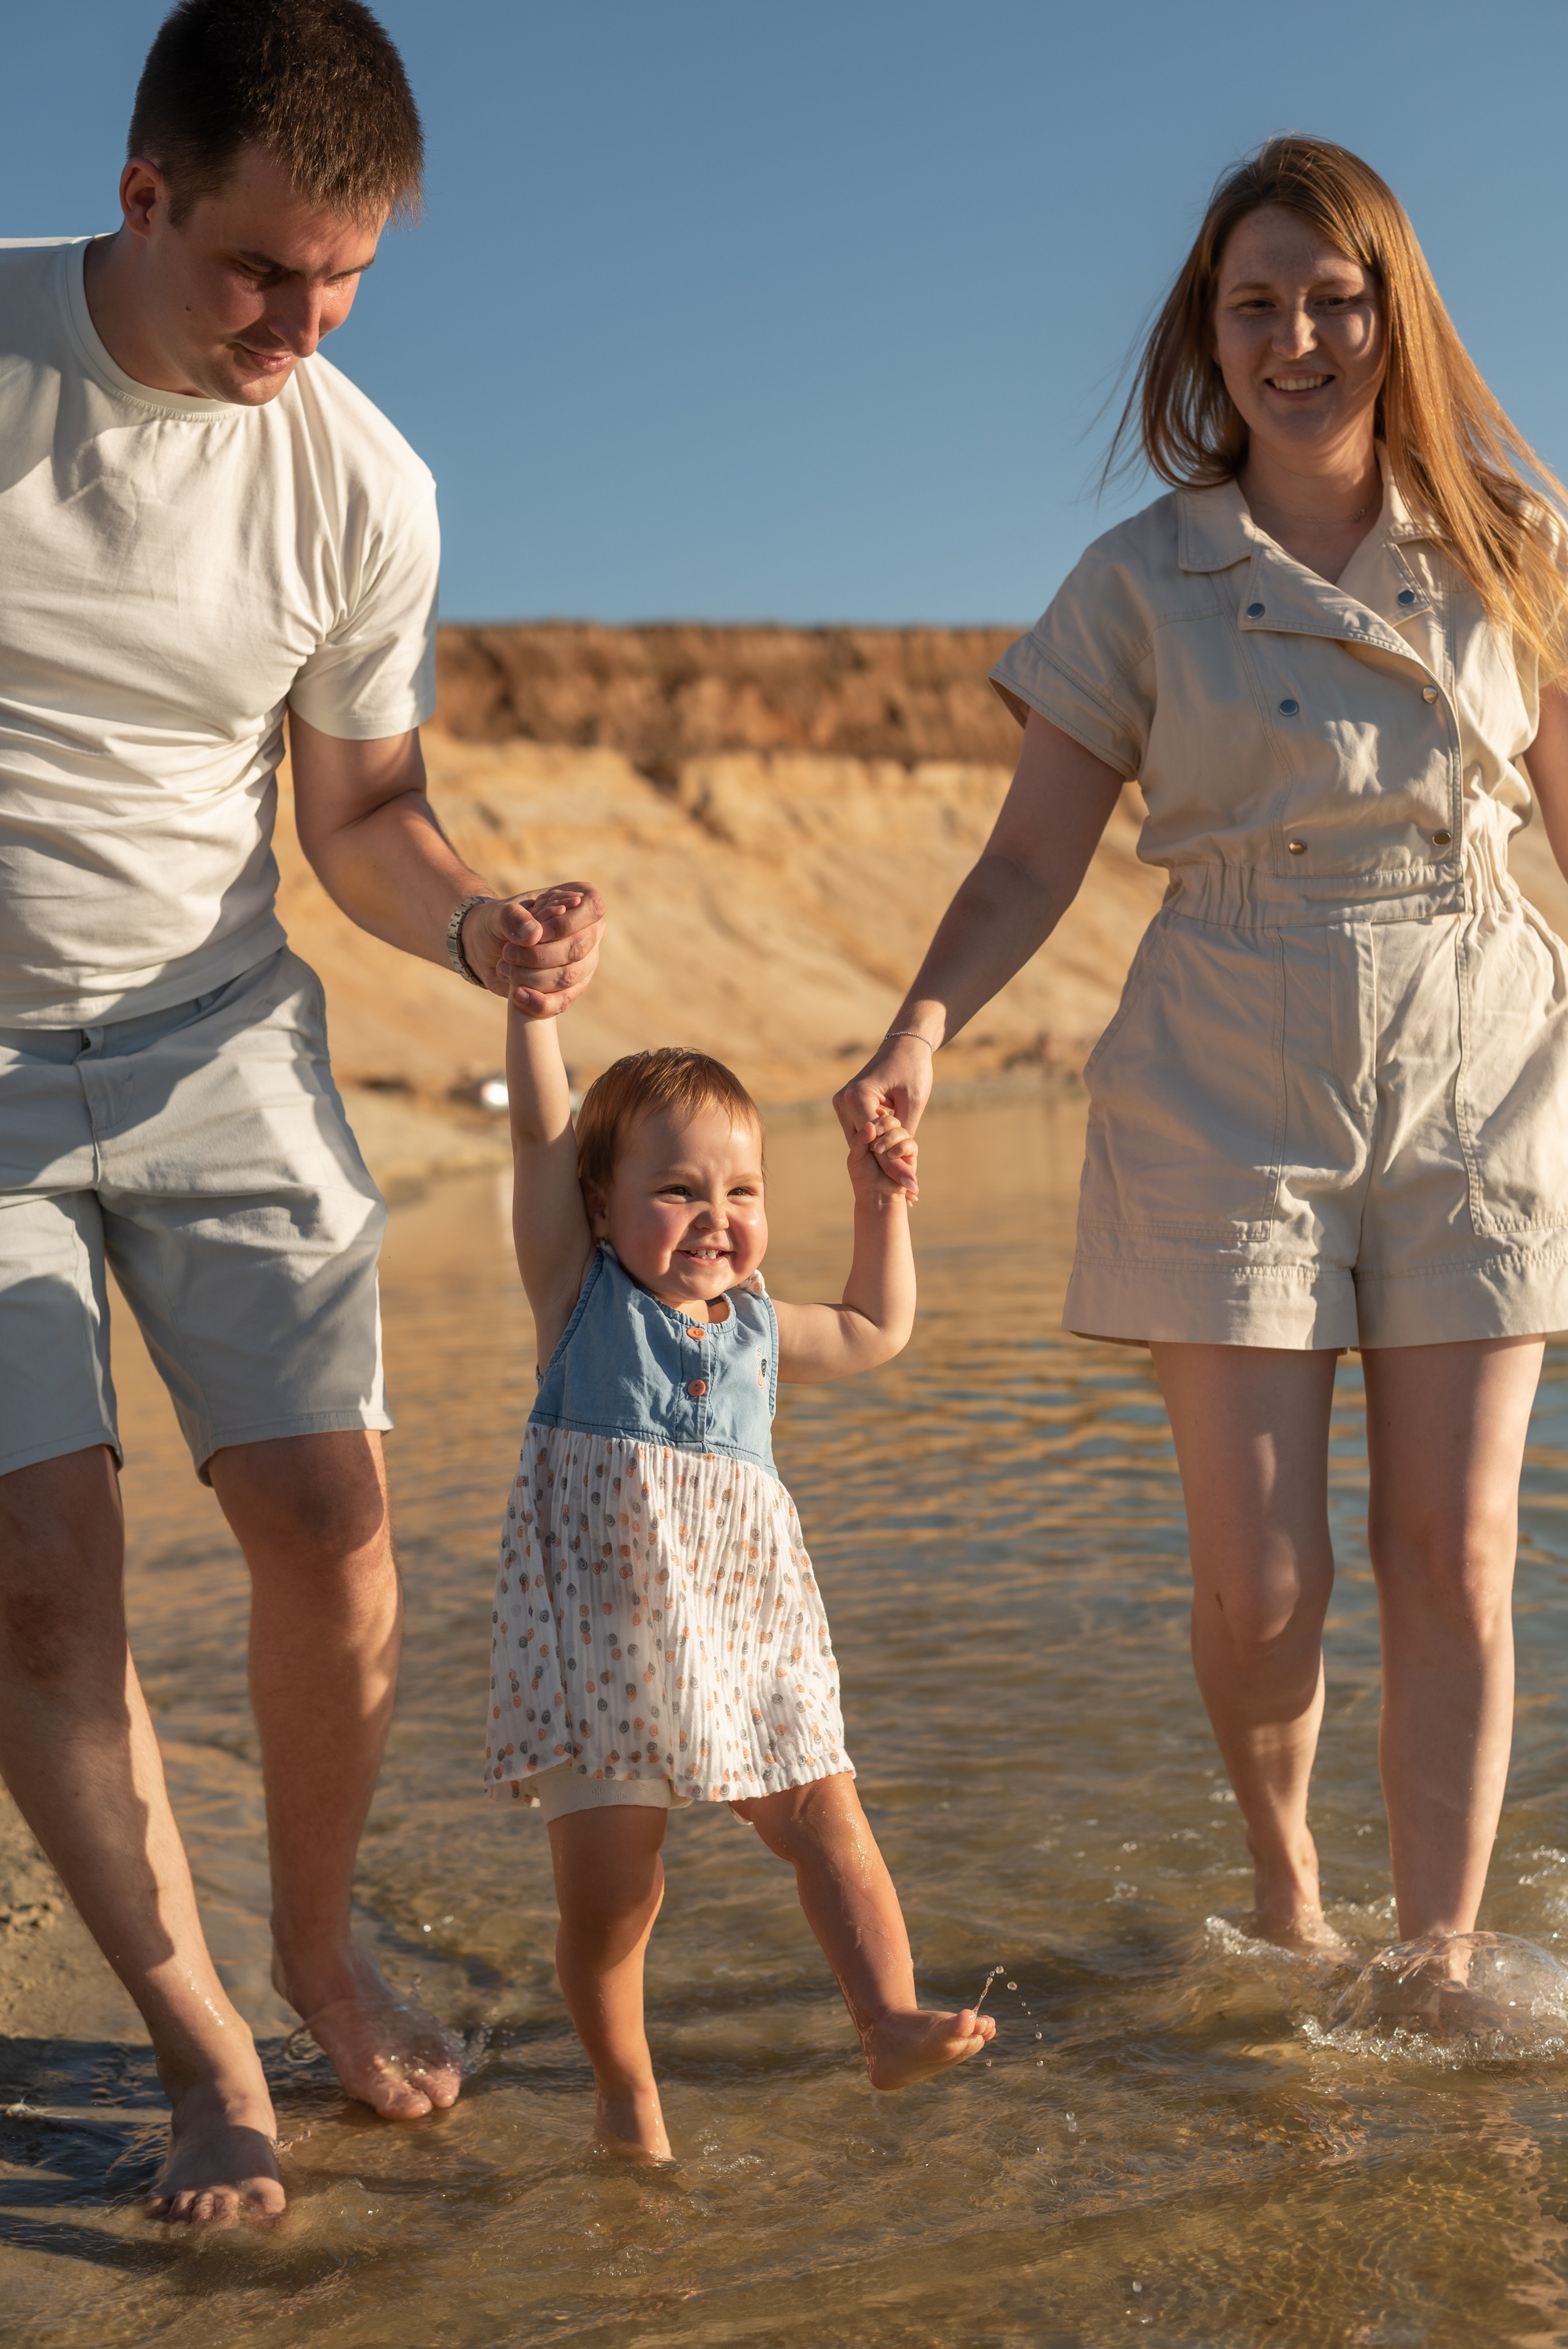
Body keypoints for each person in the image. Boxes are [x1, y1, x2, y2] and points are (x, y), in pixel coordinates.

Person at [837, 137, 1568, 1975]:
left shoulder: (1515, 544)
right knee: (1261, 1579)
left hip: (1480, 1048)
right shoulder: (1138, 577)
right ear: (1207, 330)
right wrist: (918, 1027)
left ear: (1395, 316)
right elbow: (1027, 862)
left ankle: (1437, 1958)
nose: (1294, 339)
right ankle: (1287, 1886)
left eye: (1332, 300)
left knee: (1454, 1549)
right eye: (1255, 304)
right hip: (1223, 1062)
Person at [0, 0, 601, 2226]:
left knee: (334, 1523)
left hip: (219, 1035)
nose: (304, 324)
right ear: (142, 194)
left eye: (347, 280)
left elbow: (357, 812)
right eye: (262, 269)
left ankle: (319, 1942)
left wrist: (477, 928)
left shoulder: (364, 481)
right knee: (41, 1580)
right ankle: (200, 2058)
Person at [491, 984, 995, 2159]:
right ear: (598, 1207)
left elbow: (875, 1327)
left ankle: (886, 2020)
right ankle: (627, 2094)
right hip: (603, 1645)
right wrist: (532, 1012)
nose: (715, 1219)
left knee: (827, 1813)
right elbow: (538, 1135)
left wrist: (881, 1201)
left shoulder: (759, 1326)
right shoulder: (578, 1299)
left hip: (750, 1629)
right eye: (677, 1191)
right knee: (615, 1894)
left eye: (742, 1192)